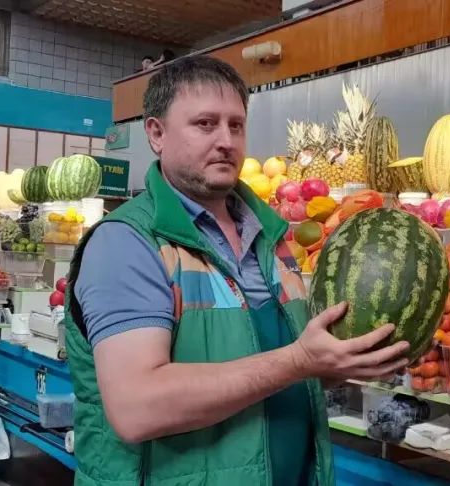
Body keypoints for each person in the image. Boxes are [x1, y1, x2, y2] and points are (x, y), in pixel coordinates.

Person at [64, 55, 409, 486]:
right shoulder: (127, 243)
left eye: (236, 125)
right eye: (205, 124)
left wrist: (342, 361)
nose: (226, 141)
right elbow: (137, 408)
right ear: (156, 133)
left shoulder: (271, 237)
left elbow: (277, 367)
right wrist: (300, 360)